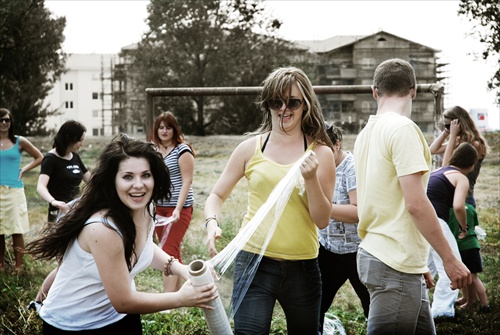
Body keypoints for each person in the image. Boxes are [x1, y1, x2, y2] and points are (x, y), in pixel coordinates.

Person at [26, 135, 218, 334]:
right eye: (128, 177)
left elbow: (142, 245)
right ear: (113, 181)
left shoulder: (146, 207)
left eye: (146, 175)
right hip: (74, 325)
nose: (138, 185)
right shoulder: (103, 229)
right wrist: (181, 298)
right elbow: (124, 301)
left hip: (119, 317)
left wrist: (180, 268)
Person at [205, 66, 336, 335]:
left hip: (303, 266)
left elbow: (322, 220)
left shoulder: (321, 153)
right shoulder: (249, 148)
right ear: (268, 103)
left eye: (293, 102)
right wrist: (211, 223)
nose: (284, 109)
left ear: (306, 105)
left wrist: (310, 179)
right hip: (253, 262)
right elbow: (216, 196)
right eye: (276, 101)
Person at [353, 58, 471, 335]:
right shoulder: (403, 129)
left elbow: (386, 198)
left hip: (390, 257)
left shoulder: (366, 133)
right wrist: (450, 260)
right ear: (414, 90)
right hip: (392, 262)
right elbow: (416, 204)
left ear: (374, 91)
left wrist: (417, 263)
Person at [318, 125, 369, 333]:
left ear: (337, 145)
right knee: (317, 302)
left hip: (358, 251)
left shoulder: (352, 167)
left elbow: (358, 212)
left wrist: (322, 208)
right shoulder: (319, 165)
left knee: (371, 304)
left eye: (325, 149)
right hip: (328, 249)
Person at [34, 120, 91, 301]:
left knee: (73, 261)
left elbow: (91, 180)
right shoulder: (50, 159)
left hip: (77, 213)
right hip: (59, 214)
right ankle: (40, 300)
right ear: (70, 138)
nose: (82, 143)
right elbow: (40, 187)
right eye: (80, 140)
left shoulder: (74, 157)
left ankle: (54, 299)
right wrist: (54, 201)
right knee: (64, 263)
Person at [426, 142, 478, 318]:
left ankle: (418, 304)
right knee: (451, 265)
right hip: (436, 222)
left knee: (425, 267)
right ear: (471, 164)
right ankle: (441, 312)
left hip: (419, 222)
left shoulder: (439, 172)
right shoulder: (461, 177)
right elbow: (458, 206)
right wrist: (464, 227)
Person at [152, 112, 195, 293]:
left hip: (179, 208)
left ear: (174, 129)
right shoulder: (153, 151)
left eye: (168, 127)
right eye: (161, 127)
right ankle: (182, 297)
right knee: (172, 252)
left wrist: (177, 209)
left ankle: (168, 302)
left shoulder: (182, 150)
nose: (164, 131)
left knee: (167, 251)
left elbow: (187, 181)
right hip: (158, 208)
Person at [0, 108, 43, 273]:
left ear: (11, 122)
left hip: (14, 191)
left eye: (7, 120)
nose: (4, 123)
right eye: (1, 120)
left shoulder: (19, 141)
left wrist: (24, 169)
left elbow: (39, 157)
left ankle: (19, 266)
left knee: (17, 229)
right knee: (0, 230)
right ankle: (1, 265)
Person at [429, 105, 489, 208]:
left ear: (459, 124)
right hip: (451, 196)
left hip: (465, 198)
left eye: (449, 126)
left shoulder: (474, 145)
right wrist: (446, 132)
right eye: (446, 126)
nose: (447, 129)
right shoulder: (458, 142)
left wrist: (452, 137)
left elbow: (446, 167)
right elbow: (432, 150)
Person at [448, 203, 490, 313]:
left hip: (461, 247)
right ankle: (470, 300)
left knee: (471, 277)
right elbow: (475, 225)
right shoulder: (471, 208)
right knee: (471, 276)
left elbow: (450, 230)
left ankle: (485, 304)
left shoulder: (451, 210)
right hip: (473, 245)